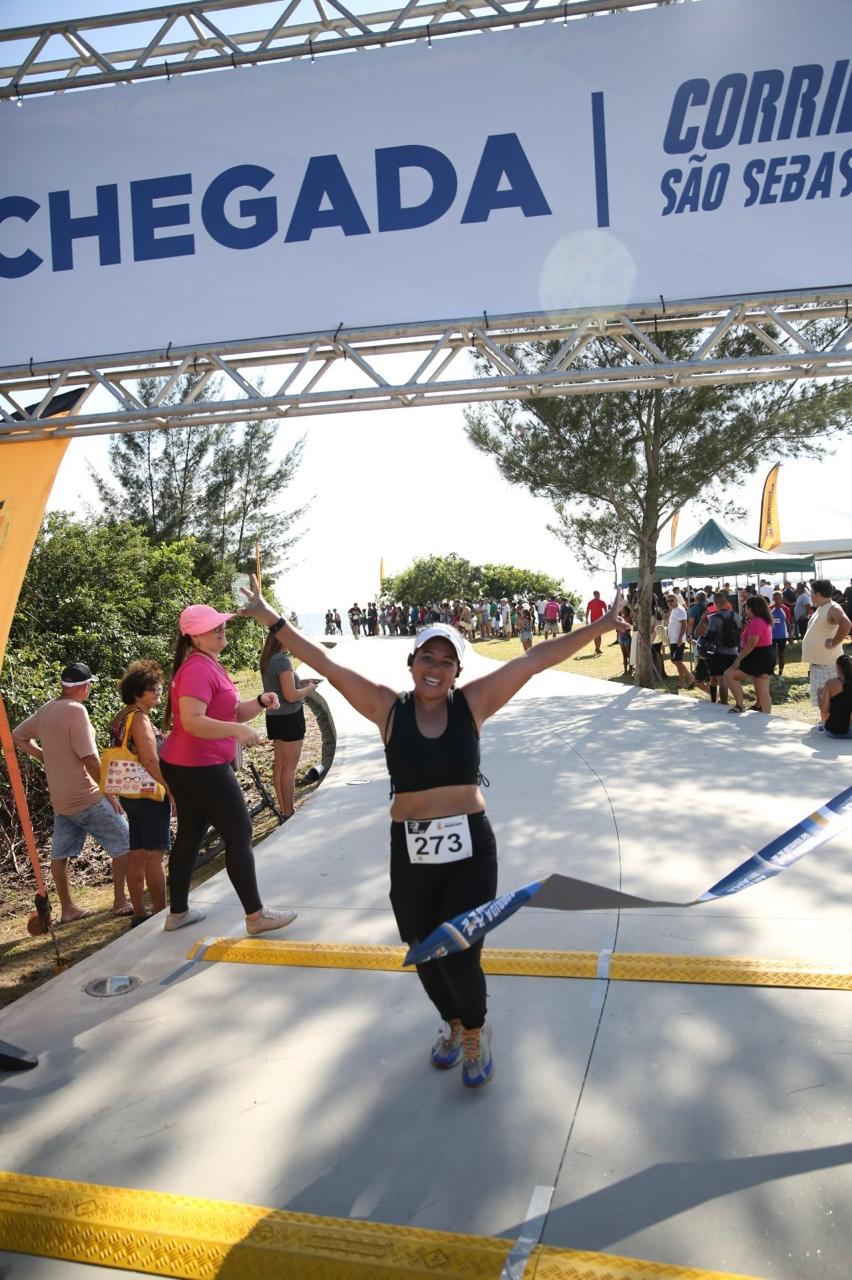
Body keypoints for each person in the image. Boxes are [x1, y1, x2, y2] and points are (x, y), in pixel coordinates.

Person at [239, 576, 626, 1090]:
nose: (435, 668)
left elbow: (533, 661)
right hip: (411, 849)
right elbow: (328, 664)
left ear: (457, 671)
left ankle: (476, 1032)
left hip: (470, 847)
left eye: (446, 661)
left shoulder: (473, 704)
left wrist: (599, 626)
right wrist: (270, 617)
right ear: (412, 663)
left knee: (461, 949)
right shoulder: (386, 708)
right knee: (423, 948)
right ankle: (453, 1023)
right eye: (427, 657)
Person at [159, 604, 297, 935]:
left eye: (221, 624)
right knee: (239, 833)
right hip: (199, 765)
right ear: (193, 636)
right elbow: (193, 721)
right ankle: (255, 916)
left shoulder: (208, 663)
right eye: (212, 627)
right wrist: (237, 732)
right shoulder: (197, 669)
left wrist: (261, 702)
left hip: (185, 763)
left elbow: (232, 711)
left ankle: (177, 912)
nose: (221, 629)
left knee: (191, 835)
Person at [13, 662, 130, 923]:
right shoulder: (77, 711)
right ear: (84, 687)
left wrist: (44, 756)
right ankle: (121, 900)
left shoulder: (47, 709)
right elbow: (89, 758)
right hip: (86, 796)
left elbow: (17, 735)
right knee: (126, 843)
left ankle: (68, 909)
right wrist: (109, 792)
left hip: (61, 802)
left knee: (60, 855)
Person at [110, 660, 171, 927]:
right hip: (148, 792)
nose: (159, 690)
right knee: (154, 855)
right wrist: (171, 789)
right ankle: (161, 911)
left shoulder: (122, 716)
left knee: (137, 853)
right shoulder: (140, 719)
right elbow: (149, 759)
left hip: (128, 792)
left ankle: (138, 912)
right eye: (152, 687)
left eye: (159, 686)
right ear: (137, 692)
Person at [260, 629, 322, 818]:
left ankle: (283, 808)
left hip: (274, 717)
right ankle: (288, 811)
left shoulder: (268, 659)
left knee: (279, 765)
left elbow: (280, 687)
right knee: (289, 767)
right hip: (290, 718)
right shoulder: (282, 661)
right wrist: (309, 689)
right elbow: (290, 695)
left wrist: (301, 683)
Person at [801, 580, 851, 711]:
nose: (810, 595)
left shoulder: (833, 607)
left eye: (811, 592)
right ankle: (826, 724)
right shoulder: (822, 608)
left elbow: (846, 624)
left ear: (817, 594)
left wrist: (834, 642)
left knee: (828, 702)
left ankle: (830, 725)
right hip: (820, 664)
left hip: (828, 665)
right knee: (821, 702)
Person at [726, 594, 775, 713]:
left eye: (746, 607)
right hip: (765, 655)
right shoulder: (764, 620)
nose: (745, 610)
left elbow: (751, 644)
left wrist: (739, 659)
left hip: (757, 657)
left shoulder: (756, 622)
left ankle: (740, 704)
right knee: (763, 690)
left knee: (729, 674)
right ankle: (766, 713)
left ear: (752, 608)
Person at [665, 593, 693, 690]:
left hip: (678, 640)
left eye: (671, 600)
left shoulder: (680, 610)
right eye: (668, 601)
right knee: (676, 661)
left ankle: (690, 678)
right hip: (673, 640)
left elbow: (684, 625)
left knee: (677, 661)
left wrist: (680, 639)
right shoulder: (674, 610)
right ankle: (682, 682)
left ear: (676, 600)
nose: (669, 603)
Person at [819, 655, 852, 738]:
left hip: (835, 732)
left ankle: (822, 725)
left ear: (837, 667)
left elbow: (824, 709)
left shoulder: (830, 684)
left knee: (825, 708)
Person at [770, 590, 792, 676]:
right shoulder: (770, 609)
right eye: (775, 598)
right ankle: (771, 672)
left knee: (781, 654)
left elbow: (788, 622)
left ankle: (780, 673)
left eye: (779, 598)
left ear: (782, 598)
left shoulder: (786, 609)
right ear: (773, 599)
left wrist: (790, 635)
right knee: (772, 655)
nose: (777, 600)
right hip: (771, 636)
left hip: (782, 635)